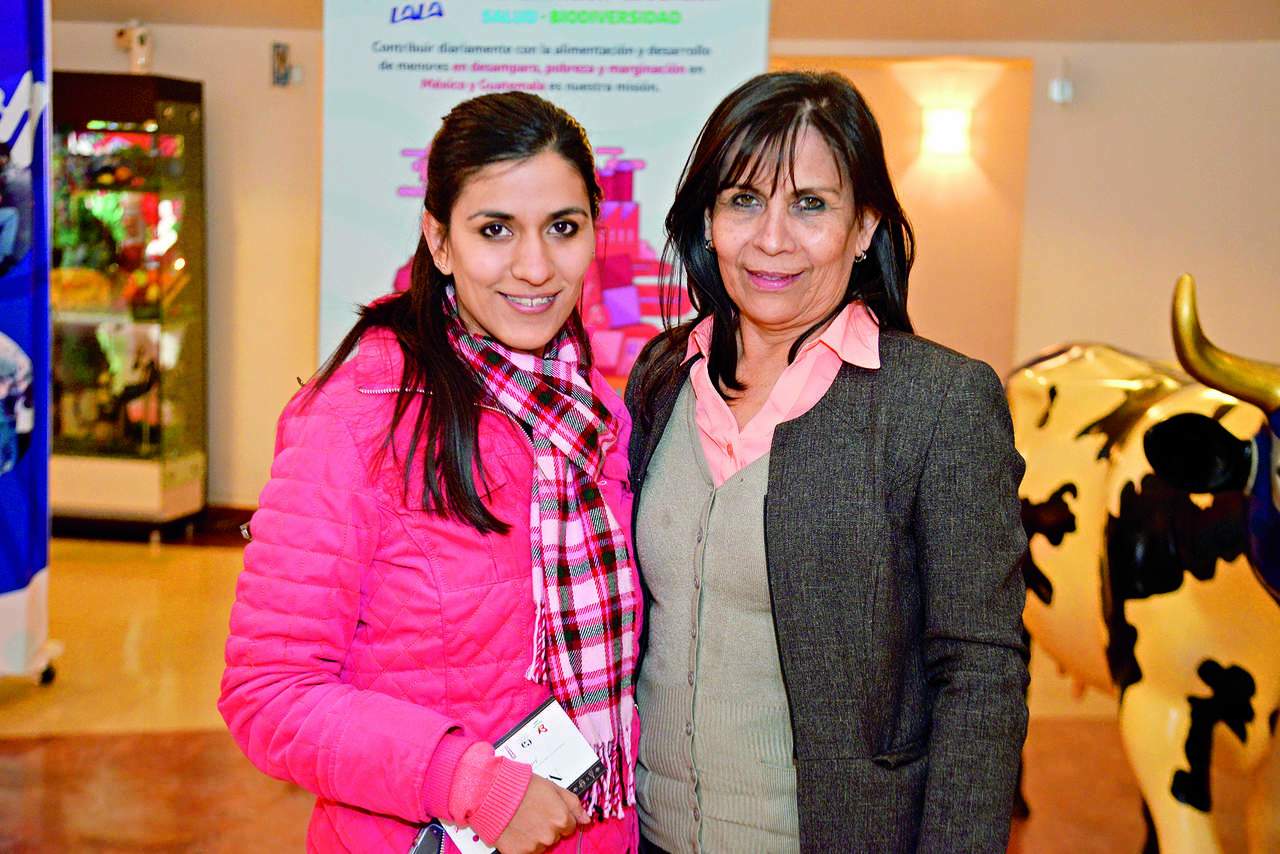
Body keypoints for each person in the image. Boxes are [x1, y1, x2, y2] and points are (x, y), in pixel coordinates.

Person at [219, 92, 641, 854]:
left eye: (563, 227)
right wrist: (472, 785)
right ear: (439, 241)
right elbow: (268, 691)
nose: (535, 267)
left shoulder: (596, 414)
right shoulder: (358, 416)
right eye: (494, 230)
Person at [625, 71, 1029, 853]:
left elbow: (981, 675)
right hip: (650, 837)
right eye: (744, 200)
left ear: (864, 224)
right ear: (708, 220)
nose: (773, 238)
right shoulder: (663, 376)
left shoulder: (937, 402)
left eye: (810, 204)